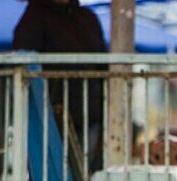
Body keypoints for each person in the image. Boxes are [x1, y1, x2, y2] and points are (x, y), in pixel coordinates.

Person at [13, 0, 107, 172]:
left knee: (84, 180)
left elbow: (104, 70)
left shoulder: (88, 19)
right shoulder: (34, 17)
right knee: (48, 176)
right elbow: (23, 68)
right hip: (50, 118)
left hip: (90, 116)